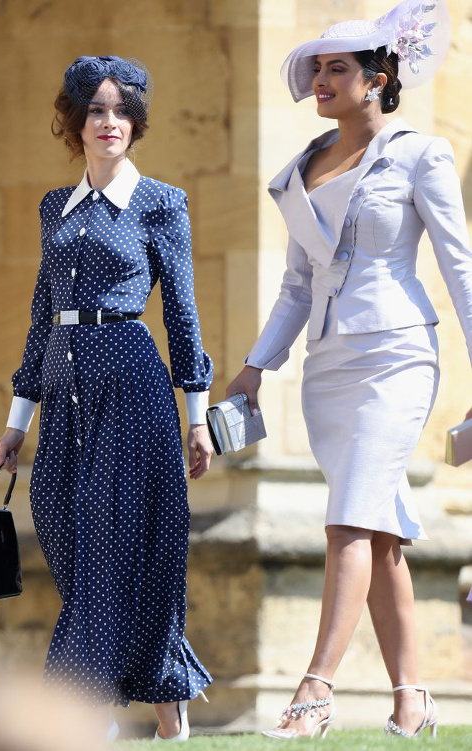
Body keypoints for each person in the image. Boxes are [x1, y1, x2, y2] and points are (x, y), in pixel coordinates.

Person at [227, 0, 472, 739]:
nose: (322, 79)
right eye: (317, 69)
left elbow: (460, 269)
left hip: (397, 356)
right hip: (326, 368)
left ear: (377, 79)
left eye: (338, 68)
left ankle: (314, 690)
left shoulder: (422, 155)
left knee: (347, 524)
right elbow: (296, 287)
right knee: (379, 532)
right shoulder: (300, 171)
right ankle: (413, 699)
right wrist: (254, 366)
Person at [0, 55, 214, 742]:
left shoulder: (161, 203)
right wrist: (17, 419)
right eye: (96, 110)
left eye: (122, 111)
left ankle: (88, 709)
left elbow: (182, 314)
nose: (109, 122)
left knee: (116, 544)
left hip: (131, 387)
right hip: (63, 397)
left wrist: (198, 417)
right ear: (75, 122)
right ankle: (164, 698)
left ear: (137, 124)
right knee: (67, 536)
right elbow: (41, 315)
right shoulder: (52, 208)